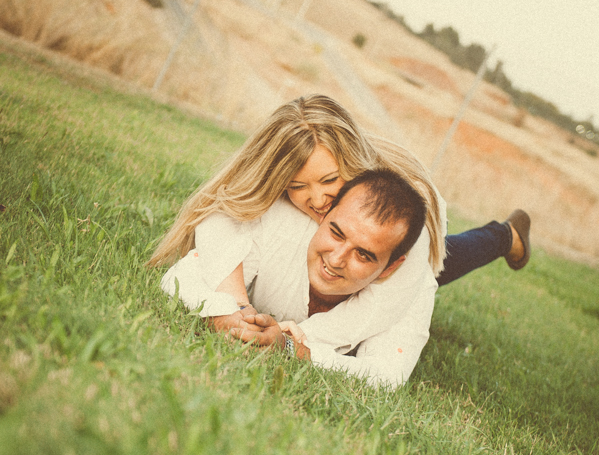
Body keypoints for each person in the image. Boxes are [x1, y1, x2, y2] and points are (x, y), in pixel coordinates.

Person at [150, 95, 530, 385]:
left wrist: (295, 343)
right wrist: (233, 305)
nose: (317, 199)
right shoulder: (281, 211)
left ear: (353, 162)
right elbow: (228, 213)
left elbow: (379, 324)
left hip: (416, 239)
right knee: (351, 255)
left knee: (437, 266)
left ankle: (504, 236)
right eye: (296, 186)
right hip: (370, 246)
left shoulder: (401, 214)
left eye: (330, 181)